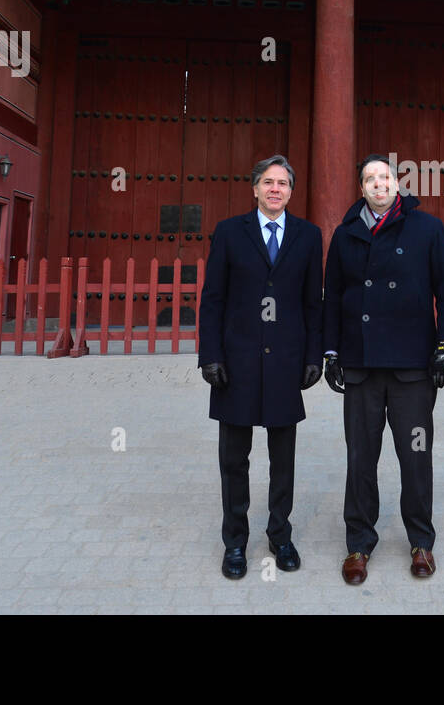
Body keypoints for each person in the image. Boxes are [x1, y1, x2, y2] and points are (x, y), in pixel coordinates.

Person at [322, 153, 444, 585]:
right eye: (369, 178)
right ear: (361, 188)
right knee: (360, 458)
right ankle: (359, 544)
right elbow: (334, 296)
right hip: (361, 365)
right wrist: (330, 352)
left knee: (415, 457)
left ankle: (421, 541)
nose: (378, 184)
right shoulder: (346, 234)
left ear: (396, 183)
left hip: (412, 368)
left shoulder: (427, 228)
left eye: (385, 176)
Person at [198, 154, 323, 580]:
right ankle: (235, 542)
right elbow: (213, 298)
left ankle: (279, 534)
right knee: (234, 459)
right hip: (237, 363)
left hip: (286, 362)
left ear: (291, 191)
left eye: (283, 183)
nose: (275, 189)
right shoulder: (231, 233)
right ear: (254, 189)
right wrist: (210, 355)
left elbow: (312, 303)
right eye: (268, 182)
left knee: (282, 458)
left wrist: (313, 356)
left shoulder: (309, 236)